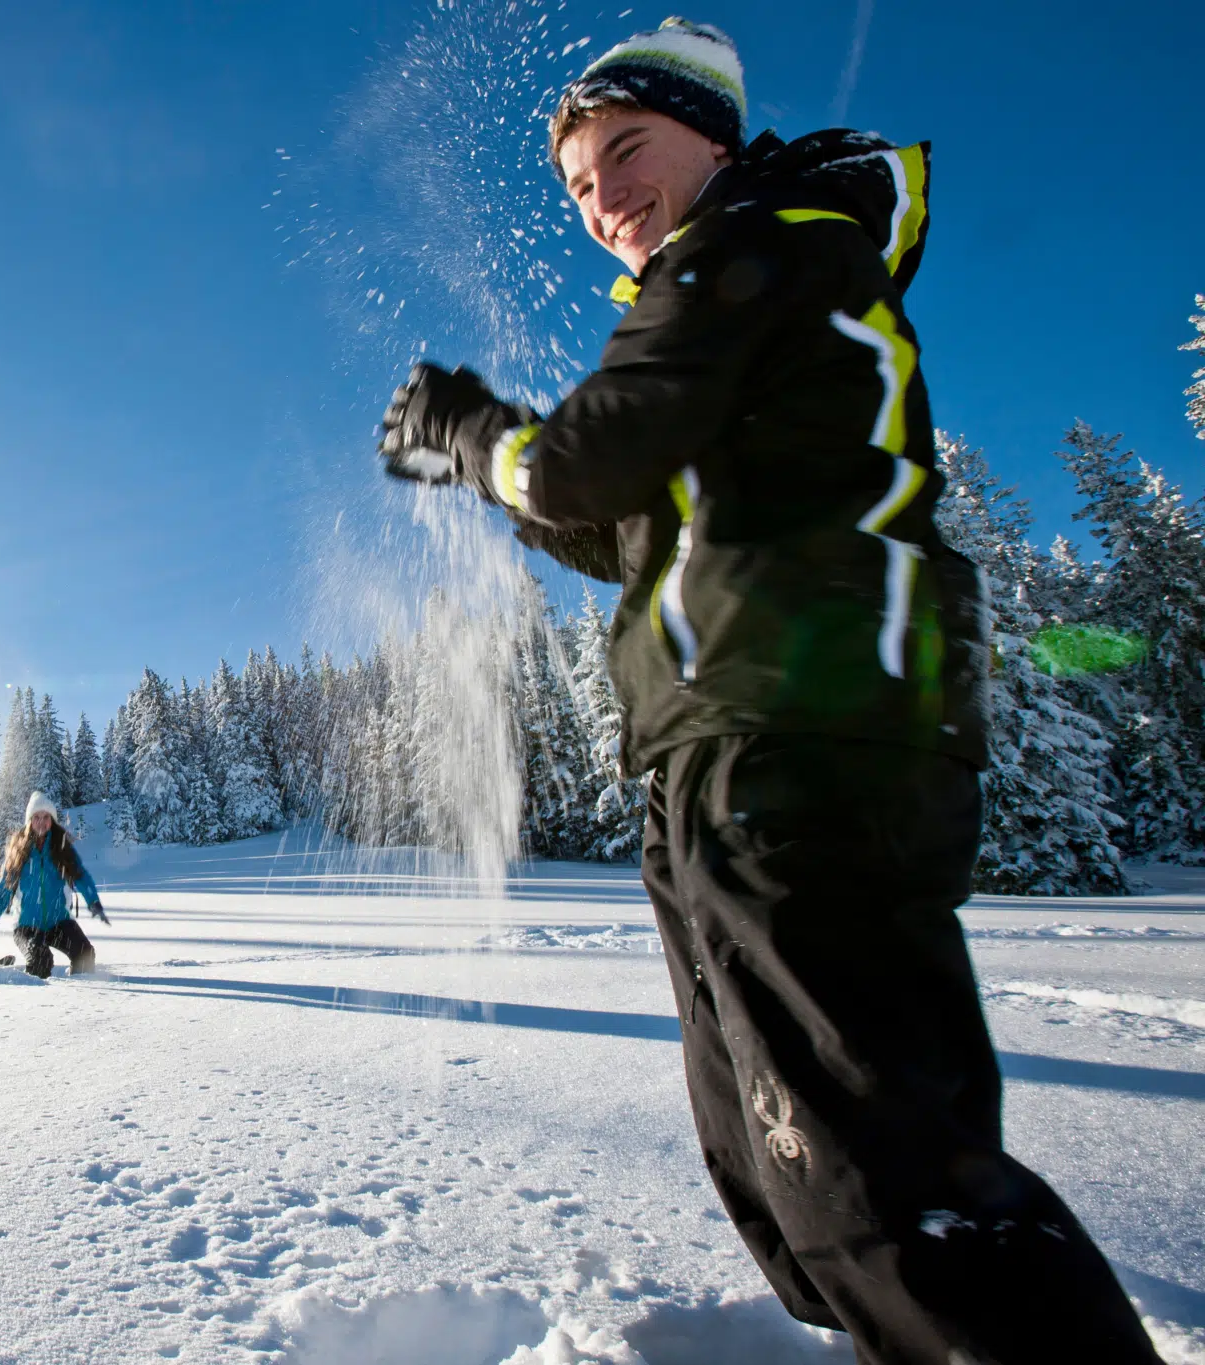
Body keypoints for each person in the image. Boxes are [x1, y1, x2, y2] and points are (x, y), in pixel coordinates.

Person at [378, 18, 1164, 1365]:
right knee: (776, 1155)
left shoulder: (759, 249)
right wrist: (495, 463)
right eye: (575, 184)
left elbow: (579, 469)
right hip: (733, 749)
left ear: (715, 141)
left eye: (628, 151)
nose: (603, 197)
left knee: (874, 1176)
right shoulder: (749, 284)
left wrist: (472, 434)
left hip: (794, 748)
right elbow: (612, 518)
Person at [0, 792, 108, 978]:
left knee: (85, 955)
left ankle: (78, 997)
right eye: (36, 817)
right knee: (40, 960)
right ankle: (36, 1003)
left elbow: (81, 877)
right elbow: (2, 893)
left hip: (58, 923)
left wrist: (93, 901)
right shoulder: (20, 852)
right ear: (29, 820)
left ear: (52, 820)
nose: (41, 822)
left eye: (46, 817)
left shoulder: (61, 849)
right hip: (27, 926)